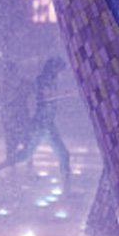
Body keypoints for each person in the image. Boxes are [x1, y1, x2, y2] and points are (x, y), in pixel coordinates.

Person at [23, 57, 71, 189]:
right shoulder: (42, 79)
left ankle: (66, 186)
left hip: (48, 123)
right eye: (60, 69)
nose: (61, 73)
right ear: (54, 68)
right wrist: (63, 95)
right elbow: (44, 97)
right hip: (42, 123)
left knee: (63, 154)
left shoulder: (52, 80)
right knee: (26, 154)